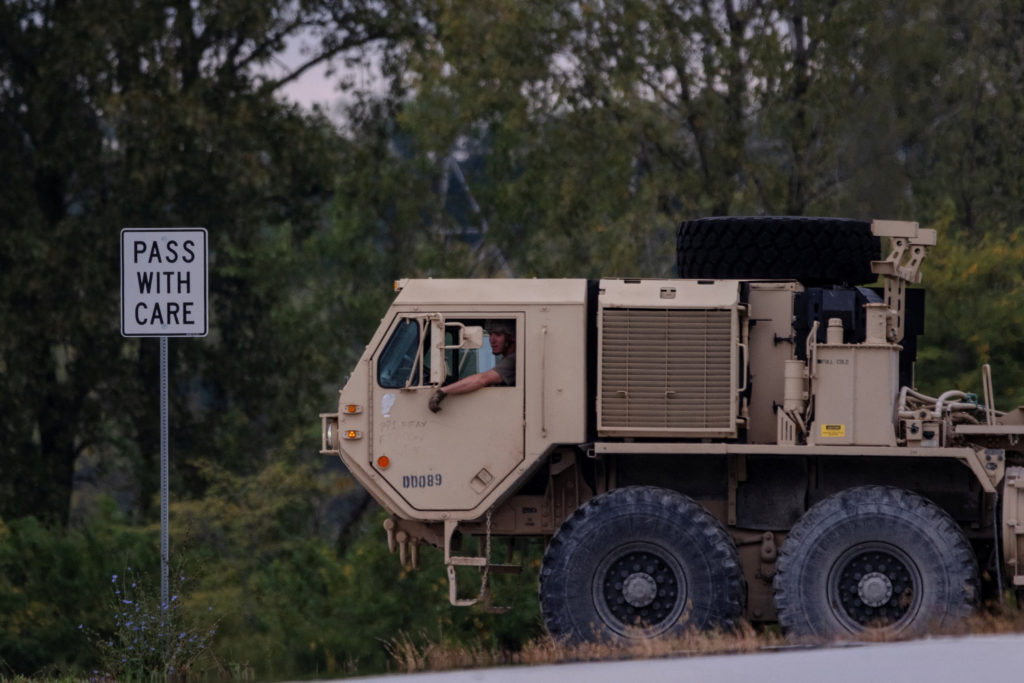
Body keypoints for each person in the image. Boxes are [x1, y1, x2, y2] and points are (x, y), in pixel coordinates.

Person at [428, 320, 515, 413]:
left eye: (498, 335)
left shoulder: (513, 360)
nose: (492, 340)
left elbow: (482, 379)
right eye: (490, 334)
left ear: (512, 338)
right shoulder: (508, 359)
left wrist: (442, 392)